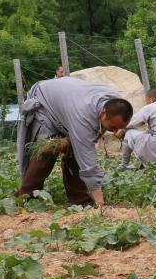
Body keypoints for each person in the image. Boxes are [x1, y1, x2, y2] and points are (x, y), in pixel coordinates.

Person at [17, 77, 133, 206]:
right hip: (46, 104)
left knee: (74, 150)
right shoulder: (83, 117)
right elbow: (88, 164)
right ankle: (26, 196)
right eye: (113, 127)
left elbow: (88, 141)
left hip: (67, 102)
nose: (115, 131)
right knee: (47, 152)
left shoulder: (116, 102)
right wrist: (100, 203)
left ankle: (80, 200)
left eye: (119, 128)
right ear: (103, 112)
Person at [117, 87, 156, 168]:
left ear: (151, 99)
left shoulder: (150, 107)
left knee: (129, 132)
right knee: (145, 135)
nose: (146, 103)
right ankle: (141, 162)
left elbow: (130, 123)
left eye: (146, 100)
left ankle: (124, 165)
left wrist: (120, 128)